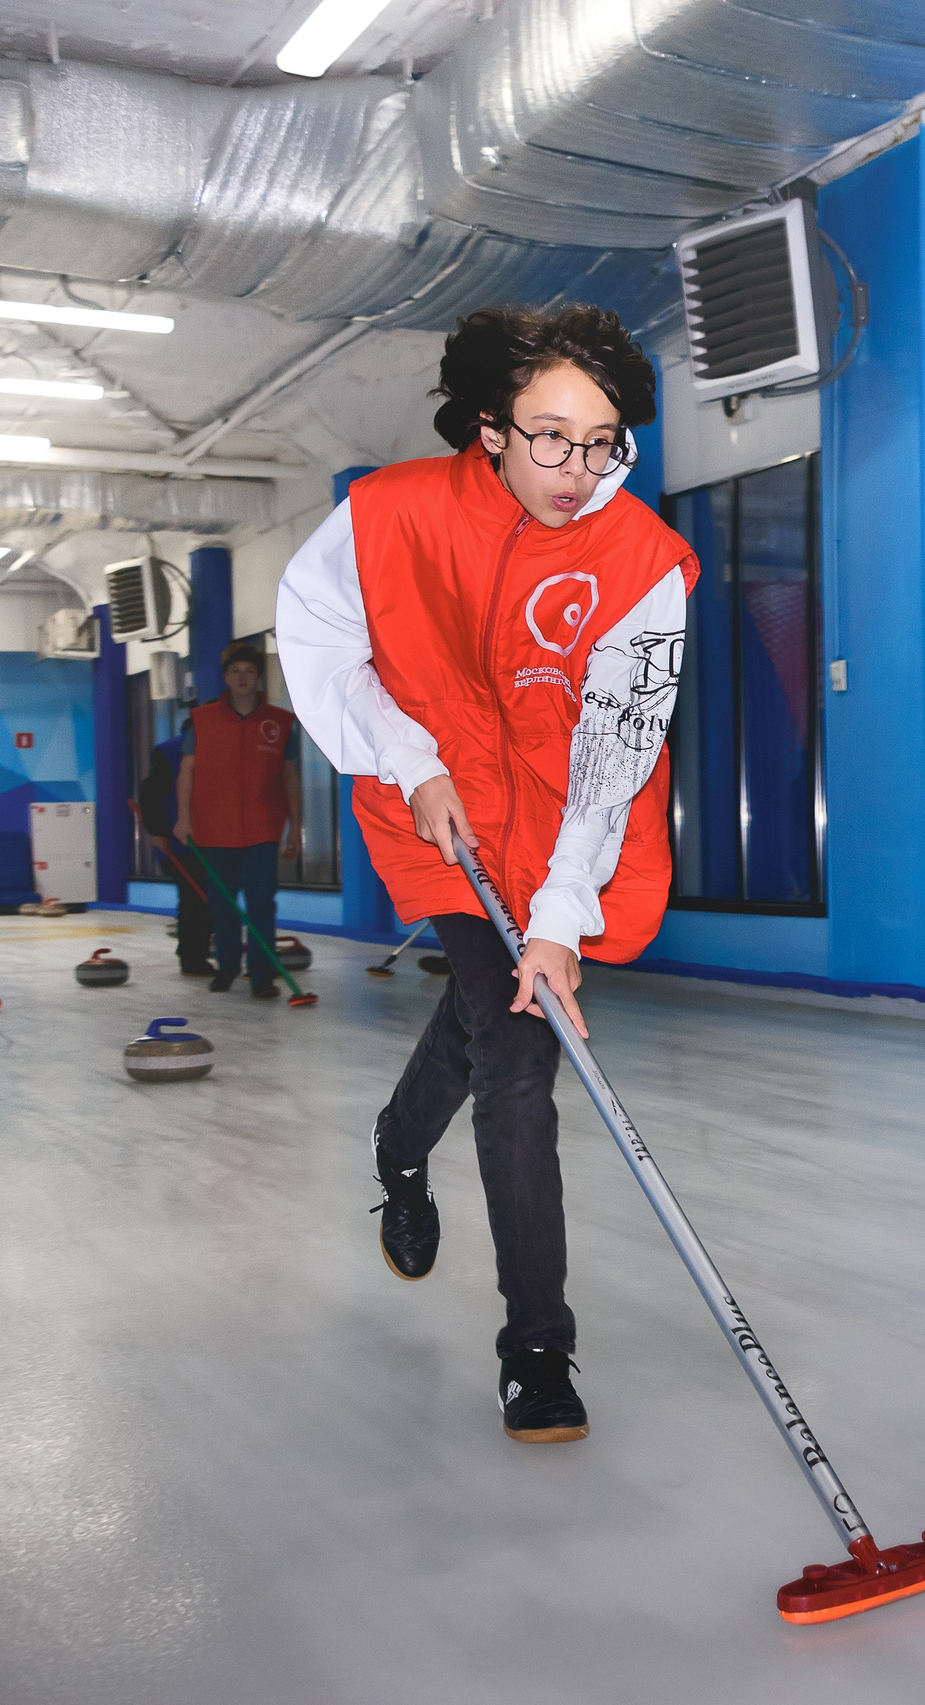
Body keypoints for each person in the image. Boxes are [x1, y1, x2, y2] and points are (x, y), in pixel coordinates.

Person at [278, 305, 691, 1444]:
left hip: (561, 827)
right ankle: (538, 1348)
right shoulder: (389, 514)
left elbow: (614, 759)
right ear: (491, 428)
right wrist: (410, 761)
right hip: (437, 813)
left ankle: (396, 1147)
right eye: (550, 435)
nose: (578, 468)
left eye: (604, 440)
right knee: (514, 1056)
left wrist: (561, 916)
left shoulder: (643, 563)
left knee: (491, 1014)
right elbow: (318, 643)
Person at [171, 643, 302, 996]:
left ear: (259, 677)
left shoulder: (279, 722)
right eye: (235, 672)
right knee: (224, 905)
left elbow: (290, 777)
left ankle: (261, 976)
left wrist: (295, 828)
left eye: (248, 671)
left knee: (262, 903)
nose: (242, 678)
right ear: (226, 678)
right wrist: (183, 819)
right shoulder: (203, 719)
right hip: (214, 828)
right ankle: (227, 968)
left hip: (263, 827)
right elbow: (187, 771)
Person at [135, 731, 215, 978]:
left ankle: (189, 948)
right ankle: (193, 960)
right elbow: (151, 795)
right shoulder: (170, 752)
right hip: (180, 841)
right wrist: (158, 832)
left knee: (204, 899)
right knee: (195, 900)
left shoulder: (222, 746)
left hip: (213, 840)